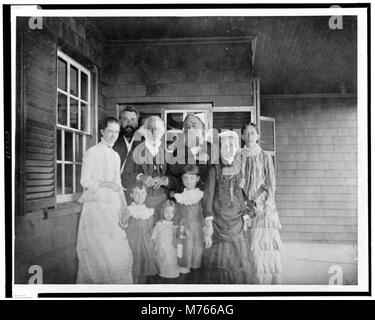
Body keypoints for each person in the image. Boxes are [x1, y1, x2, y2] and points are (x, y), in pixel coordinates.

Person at [76, 117, 133, 284]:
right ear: (102, 131)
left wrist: (124, 206)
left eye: (116, 132)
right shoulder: (92, 152)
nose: (113, 135)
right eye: (110, 131)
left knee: (115, 248)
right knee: (99, 250)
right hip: (96, 206)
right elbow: (84, 181)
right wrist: (106, 184)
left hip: (112, 206)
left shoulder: (115, 156)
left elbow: (118, 183)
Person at [202, 130, 254, 284]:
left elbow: (242, 192)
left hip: (237, 220)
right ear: (220, 148)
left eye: (232, 145)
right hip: (219, 221)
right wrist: (208, 220)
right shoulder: (214, 169)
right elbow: (208, 196)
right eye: (225, 145)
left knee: (240, 260)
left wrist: (246, 212)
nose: (229, 148)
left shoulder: (239, 168)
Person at [240, 123, 283, 284]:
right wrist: (243, 201)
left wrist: (267, 204)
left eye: (253, 133)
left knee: (264, 244)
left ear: (257, 136)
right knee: (246, 242)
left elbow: (271, 183)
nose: (250, 136)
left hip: (263, 204)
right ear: (243, 136)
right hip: (244, 204)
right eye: (247, 133)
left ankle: (266, 281)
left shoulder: (264, 156)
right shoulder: (239, 156)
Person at [129, 116, 177, 222]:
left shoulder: (167, 153)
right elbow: (124, 176)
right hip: (142, 202)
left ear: (162, 131)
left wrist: (165, 180)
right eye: (150, 129)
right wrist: (141, 177)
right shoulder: (135, 152)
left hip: (163, 205)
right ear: (145, 131)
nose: (154, 132)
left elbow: (176, 179)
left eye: (157, 129)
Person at [168, 113, 217, 193]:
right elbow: (174, 169)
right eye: (187, 126)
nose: (190, 129)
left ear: (202, 129)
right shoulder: (179, 149)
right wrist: (194, 157)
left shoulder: (212, 148)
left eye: (194, 125)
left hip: (207, 194)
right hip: (184, 195)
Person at [174, 164, 204, 282]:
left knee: (196, 256)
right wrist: (175, 231)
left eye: (192, 178)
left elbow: (203, 214)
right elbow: (176, 216)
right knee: (184, 256)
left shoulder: (201, 196)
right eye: (185, 178)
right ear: (182, 179)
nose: (188, 181)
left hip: (197, 232)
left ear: (197, 179)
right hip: (183, 232)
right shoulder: (180, 197)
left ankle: (196, 282)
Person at [123, 180, 158, 284]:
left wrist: (152, 242)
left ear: (146, 194)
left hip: (145, 244)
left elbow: (150, 230)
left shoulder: (148, 211)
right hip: (132, 244)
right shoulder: (129, 210)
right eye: (137, 193)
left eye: (142, 193)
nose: (140, 196)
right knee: (133, 269)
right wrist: (124, 218)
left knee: (144, 269)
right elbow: (123, 225)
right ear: (131, 195)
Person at [113, 105, 141, 204]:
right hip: (114, 193)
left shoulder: (143, 144)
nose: (129, 123)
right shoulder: (113, 142)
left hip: (135, 195)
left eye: (133, 120)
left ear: (137, 123)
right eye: (125, 119)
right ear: (120, 122)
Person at [151, 200, 180, 282]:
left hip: (172, 251)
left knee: (171, 269)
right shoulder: (159, 224)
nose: (169, 214)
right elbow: (153, 237)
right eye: (166, 211)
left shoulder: (175, 225)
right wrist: (155, 246)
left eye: (171, 212)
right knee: (162, 270)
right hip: (161, 250)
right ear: (162, 212)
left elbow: (178, 238)